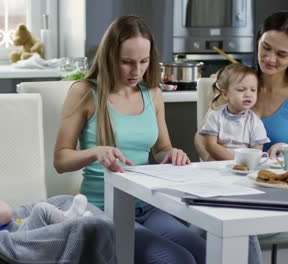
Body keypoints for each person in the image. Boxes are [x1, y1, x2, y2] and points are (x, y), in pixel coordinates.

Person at [54, 15, 205, 264]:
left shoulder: (153, 94)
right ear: (109, 56)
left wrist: (170, 154)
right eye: (126, 62)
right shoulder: (84, 92)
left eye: (143, 61)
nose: (137, 71)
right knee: (178, 260)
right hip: (103, 208)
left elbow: (161, 149)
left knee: (202, 251)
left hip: (147, 205)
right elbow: (60, 159)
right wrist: (95, 152)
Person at [195, 11, 288, 160]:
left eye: (281, 54)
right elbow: (200, 138)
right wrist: (218, 165)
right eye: (266, 47)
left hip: (277, 179)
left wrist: (285, 150)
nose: (270, 58)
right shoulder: (238, 82)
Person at [199, 63, 270, 160]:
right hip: (218, 165)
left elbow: (256, 152)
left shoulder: (255, 122)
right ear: (225, 94)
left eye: (253, 90)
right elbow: (210, 145)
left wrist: (242, 165)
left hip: (244, 168)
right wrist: (234, 162)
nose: (248, 94)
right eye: (241, 90)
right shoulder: (215, 116)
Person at [0, 188, 92, 231]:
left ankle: (68, 216)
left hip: (18, 227)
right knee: (41, 209)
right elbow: (6, 212)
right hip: (19, 236)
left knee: (35, 211)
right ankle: (72, 221)